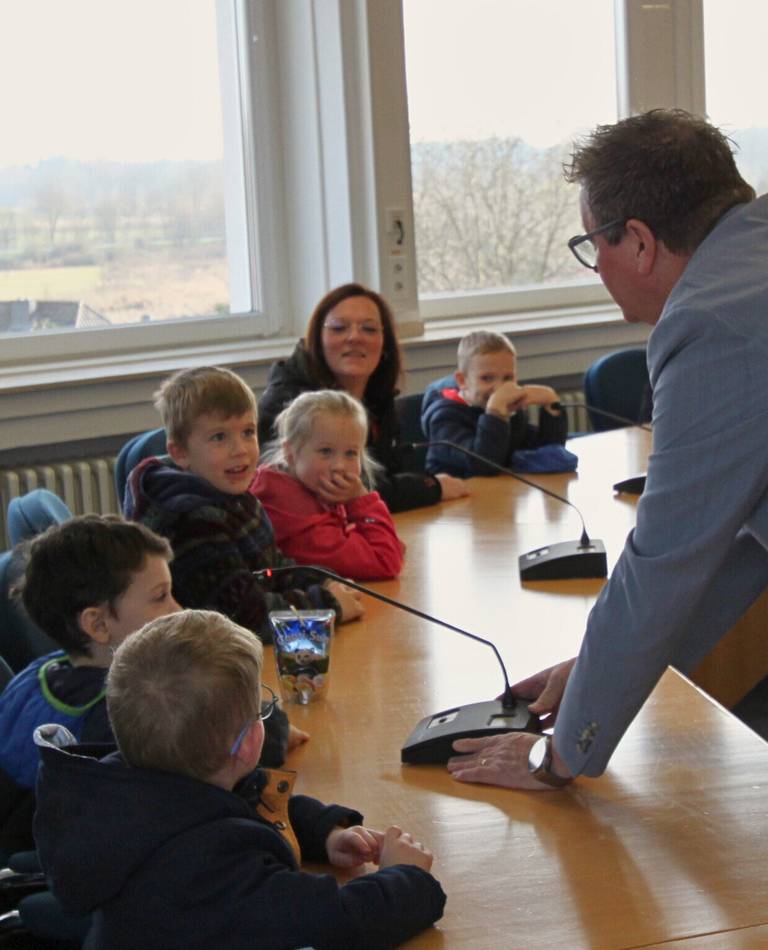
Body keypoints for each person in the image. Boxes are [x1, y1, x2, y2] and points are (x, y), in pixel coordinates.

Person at [445, 109, 768, 882]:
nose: (598, 267)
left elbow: (668, 559)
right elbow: (737, 541)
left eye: (594, 246)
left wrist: (559, 756)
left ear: (639, 241)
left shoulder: (715, 322)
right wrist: (593, 670)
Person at [33, 609, 446, 948]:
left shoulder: (131, 791)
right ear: (250, 743)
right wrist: (407, 878)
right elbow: (337, 922)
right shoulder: (211, 866)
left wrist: (325, 833)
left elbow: (245, 800)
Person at [0, 516, 305, 859]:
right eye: (160, 597)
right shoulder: (127, 710)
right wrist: (271, 724)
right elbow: (221, 769)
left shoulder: (41, 671)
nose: (178, 609)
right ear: (97, 624)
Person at [124, 366, 364, 640]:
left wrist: (322, 579)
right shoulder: (191, 521)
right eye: (219, 437)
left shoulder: (232, 494)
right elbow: (244, 619)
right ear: (180, 453)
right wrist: (327, 606)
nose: (240, 450)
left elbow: (272, 568)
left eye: (248, 432)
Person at [257, 282, 469, 512]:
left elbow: (383, 476)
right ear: (317, 340)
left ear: (384, 344)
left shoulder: (377, 398)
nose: (354, 337)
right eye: (339, 328)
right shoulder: (287, 401)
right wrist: (430, 487)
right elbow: (336, 488)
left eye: (369, 329)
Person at [251, 390, 404, 580]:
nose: (339, 466)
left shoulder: (311, 487)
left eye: (350, 453)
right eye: (325, 451)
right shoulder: (290, 508)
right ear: (290, 453)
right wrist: (362, 500)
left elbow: (393, 547)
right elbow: (384, 560)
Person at [420, 330, 569, 477]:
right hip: (458, 496)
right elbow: (483, 465)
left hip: (501, 492)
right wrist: (495, 414)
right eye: (487, 378)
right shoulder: (445, 418)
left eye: (507, 378)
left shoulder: (510, 410)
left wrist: (552, 406)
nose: (499, 388)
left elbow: (546, 454)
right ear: (462, 381)